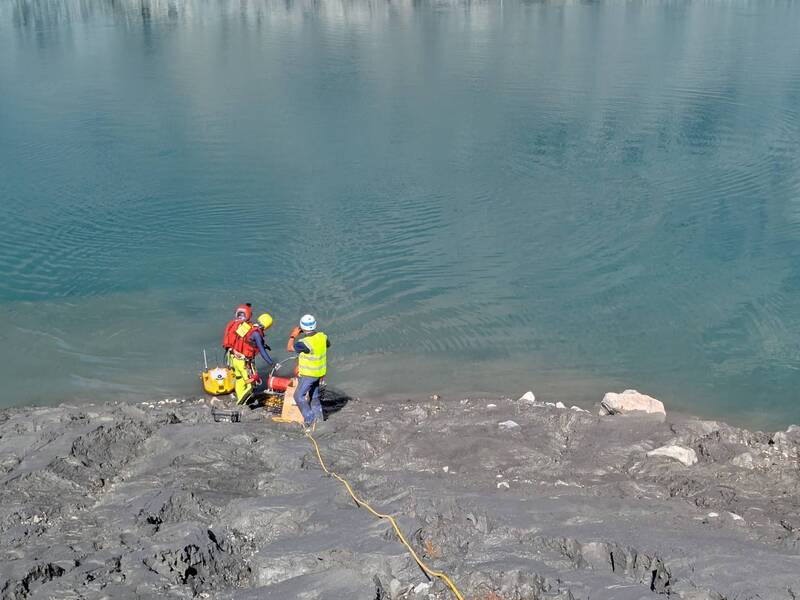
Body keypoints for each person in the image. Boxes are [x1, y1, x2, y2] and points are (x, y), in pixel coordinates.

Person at [287, 314, 330, 427]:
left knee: (298, 396)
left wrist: (293, 336)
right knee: (314, 396)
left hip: (309, 375)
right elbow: (327, 345)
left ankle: (310, 420)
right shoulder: (322, 337)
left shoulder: (304, 343)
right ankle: (320, 419)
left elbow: (289, 348)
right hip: (319, 372)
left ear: (302, 328)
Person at [229, 313, 275, 405]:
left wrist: (262, 345)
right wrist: (272, 363)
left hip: (234, 358)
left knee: (240, 380)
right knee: (251, 384)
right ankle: (240, 404)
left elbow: (240, 340)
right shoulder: (257, 334)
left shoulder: (246, 326)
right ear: (267, 326)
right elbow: (262, 352)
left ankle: (240, 396)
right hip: (244, 362)